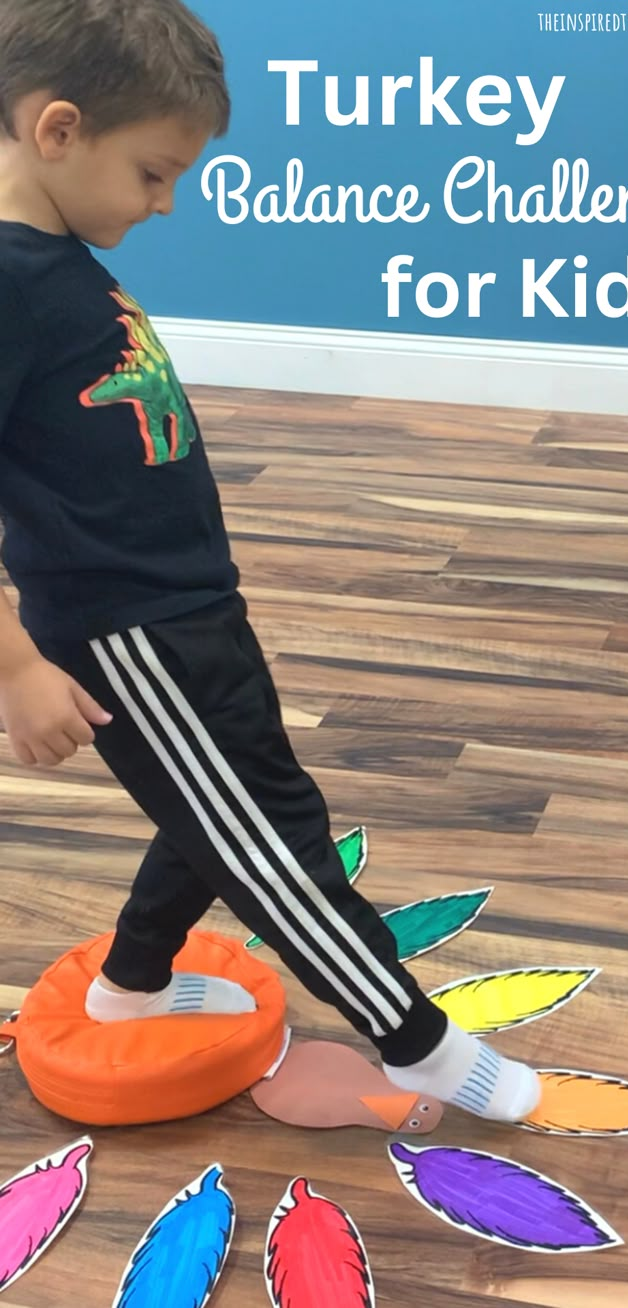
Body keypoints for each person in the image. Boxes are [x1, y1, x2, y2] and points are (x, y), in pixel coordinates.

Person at [0, 0, 540, 1123]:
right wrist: (12, 666)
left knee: (227, 804)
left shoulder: (52, 255)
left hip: (184, 600)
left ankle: (131, 989)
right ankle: (416, 1041)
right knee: (274, 839)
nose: (164, 203)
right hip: (127, 625)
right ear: (56, 130)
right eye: (153, 173)